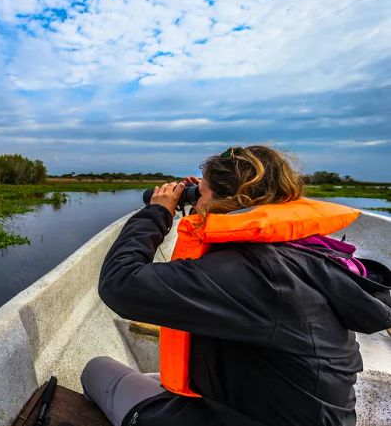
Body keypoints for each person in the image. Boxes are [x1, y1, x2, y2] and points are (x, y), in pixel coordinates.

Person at [80, 145, 391, 426]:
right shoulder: (301, 252)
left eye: (200, 194)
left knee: (97, 371)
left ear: (230, 201)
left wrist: (157, 211)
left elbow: (119, 285)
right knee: (156, 382)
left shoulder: (252, 273)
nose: (194, 199)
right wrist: (202, 196)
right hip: (306, 414)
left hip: (255, 417)